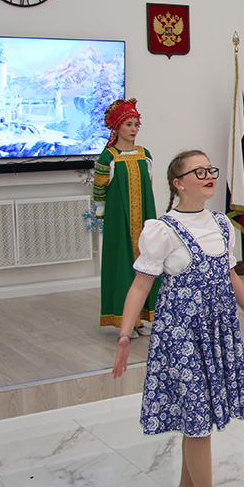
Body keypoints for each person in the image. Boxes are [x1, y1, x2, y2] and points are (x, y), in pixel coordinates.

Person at [112, 149, 244, 487]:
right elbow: (140, 286)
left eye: (210, 169)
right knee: (198, 417)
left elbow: (230, 276)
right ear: (178, 183)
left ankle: (188, 485)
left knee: (199, 411)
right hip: (181, 333)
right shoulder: (162, 230)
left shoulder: (221, 224)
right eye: (198, 171)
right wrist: (124, 334)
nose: (207, 176)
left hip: (217, 330)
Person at [92, 98, 159, 333]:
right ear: (117, 126)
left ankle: (143, 316)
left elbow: (148, 185)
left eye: (136, 124)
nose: (133, 129)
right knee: (122, 264)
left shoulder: (144, 154)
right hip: (119, 221)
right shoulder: (108, 157)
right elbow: (99, 191)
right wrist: (102, 214)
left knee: (147, 263)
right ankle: (126, 321)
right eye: (128, 124)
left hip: (144, 218)